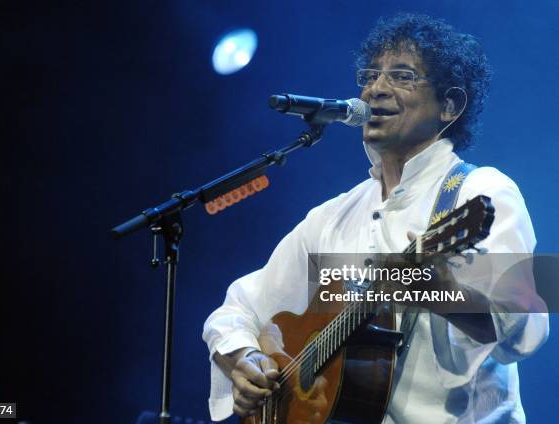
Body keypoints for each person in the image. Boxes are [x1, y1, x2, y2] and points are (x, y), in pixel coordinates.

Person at [202, 13, 549, 423]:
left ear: (450, 105)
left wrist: (436, 288)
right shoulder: (333, 216)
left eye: (402, 76)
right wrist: (247, 358)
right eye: (370, 76)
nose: (375, 90)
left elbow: (525, 326)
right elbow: (236, 310)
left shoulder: (482, 191)